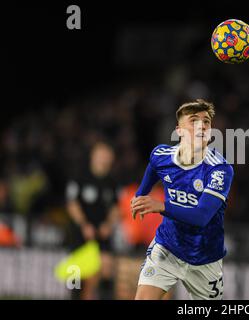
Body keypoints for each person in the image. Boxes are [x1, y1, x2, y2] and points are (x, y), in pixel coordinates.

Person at [131, 99, 234, 300]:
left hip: (205, 258)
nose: (202, 125)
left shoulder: (219, 169)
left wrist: (160, 206)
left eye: (206, 122)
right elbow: (150, 173)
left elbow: (201, 216)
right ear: (179, 131)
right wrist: (139, 197)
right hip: (167, 247)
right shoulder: (161, 156)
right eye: (194, 120)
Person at [65, 141, 120, 300]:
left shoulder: (112, 182)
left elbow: (115, 208)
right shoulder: (80, 177)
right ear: (93, 156)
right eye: (101, 155)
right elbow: (72, 204)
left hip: (101, 234)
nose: (104, 159)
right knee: (76, 276)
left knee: (106, 267)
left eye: (107, 156)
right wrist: (84, 225)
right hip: (80, 234)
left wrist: (108, 225)